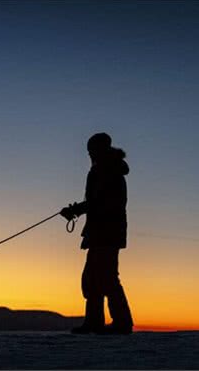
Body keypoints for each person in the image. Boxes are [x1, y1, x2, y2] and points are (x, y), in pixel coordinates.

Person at [60, 132, 133, 335]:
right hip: (100, 231)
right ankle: (94, 322)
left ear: (101, 150)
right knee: (92, 278)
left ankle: (122, 323)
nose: (90, 155)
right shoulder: (103, 170)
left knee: (107, 277)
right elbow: (97, 203)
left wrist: (76, 210)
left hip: (107, 231)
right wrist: (78, 210)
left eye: (92, 151)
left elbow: (103, 203)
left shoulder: (109, 171)